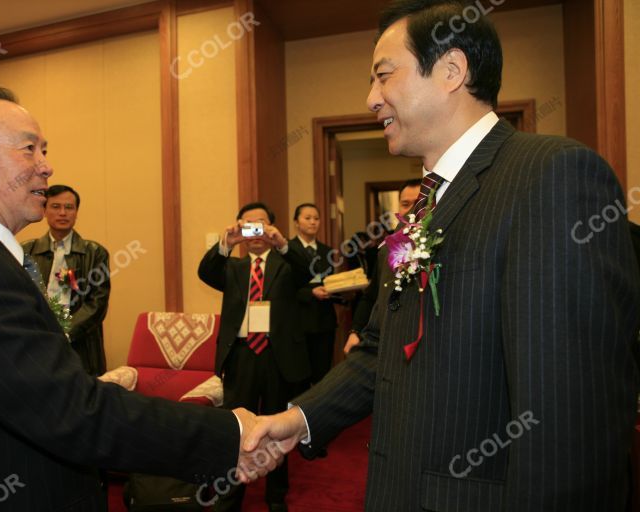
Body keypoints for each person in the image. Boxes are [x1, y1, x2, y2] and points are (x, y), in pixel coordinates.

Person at [243, 2, 640, 510]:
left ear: (452, 71)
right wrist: (298, 420)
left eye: (383, 76)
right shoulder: (427, 204)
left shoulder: (550, 177)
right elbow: (382, 349)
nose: (370, 98)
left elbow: (570, 421)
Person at [0, 85, 280, 512]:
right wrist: (229, 435)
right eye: (29, 149)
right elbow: (68, 411)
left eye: (44, 150)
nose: (46, 167)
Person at [198, 202, 309, 512]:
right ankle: (231, 495)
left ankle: (276, 496)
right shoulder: (232, 267)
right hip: (242, 355)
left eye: (261, 224)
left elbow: (311, 270)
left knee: (278, 426)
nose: (255, 231)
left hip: (278, 357)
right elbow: (204, 272)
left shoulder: (286, 263)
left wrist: (283, 244)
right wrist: (226, 243)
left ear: (272, 227)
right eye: (249, 225)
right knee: (236, 428)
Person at [22, 184, 110, 376]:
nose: (63, 213)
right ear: (44, 210)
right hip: (39, 341)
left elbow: (97, 304)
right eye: (55, 206)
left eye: (69, 207)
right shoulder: (26, 251)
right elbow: (21, 297)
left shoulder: (95, 253)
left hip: (81, 343)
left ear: (76, 212)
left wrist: (64, 332)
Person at [343, 178, 421, 354]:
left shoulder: (436, 244)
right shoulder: (386, 249)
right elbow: (371, 295)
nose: (410, 210)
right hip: (387, 339)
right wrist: (355, 331)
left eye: (417, 203)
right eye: (405, 204)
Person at [286, 203, 337, 387]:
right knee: (299, 372)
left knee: (322, 371)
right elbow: (284, 286)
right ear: (296, 222)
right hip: (298, 319)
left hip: (324, 319)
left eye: (316, 218)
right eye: (307, 218)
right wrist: (310, 292)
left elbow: (330, 280)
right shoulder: (287, 249)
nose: (313, 222)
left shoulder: (327, 251)